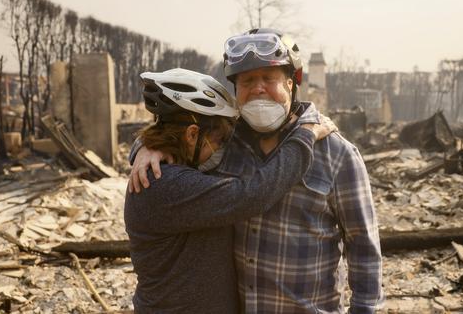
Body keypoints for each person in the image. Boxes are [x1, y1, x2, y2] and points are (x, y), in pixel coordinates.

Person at [131, 29, 384, 313]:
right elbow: (183, 134)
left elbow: (364, 249)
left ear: (291, 83)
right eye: (248, 81)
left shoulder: (337, 155)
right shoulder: (227, 145)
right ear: (236, 91)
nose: (258, 88)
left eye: (269, 78)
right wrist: (145, 146)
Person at [124, 68, 334, 314]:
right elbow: (254, 193)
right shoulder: (164, 185)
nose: (223, 148)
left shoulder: (178, 166)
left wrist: (144, 146)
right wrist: (305, 136)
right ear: (192, 135)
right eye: (219, 140)